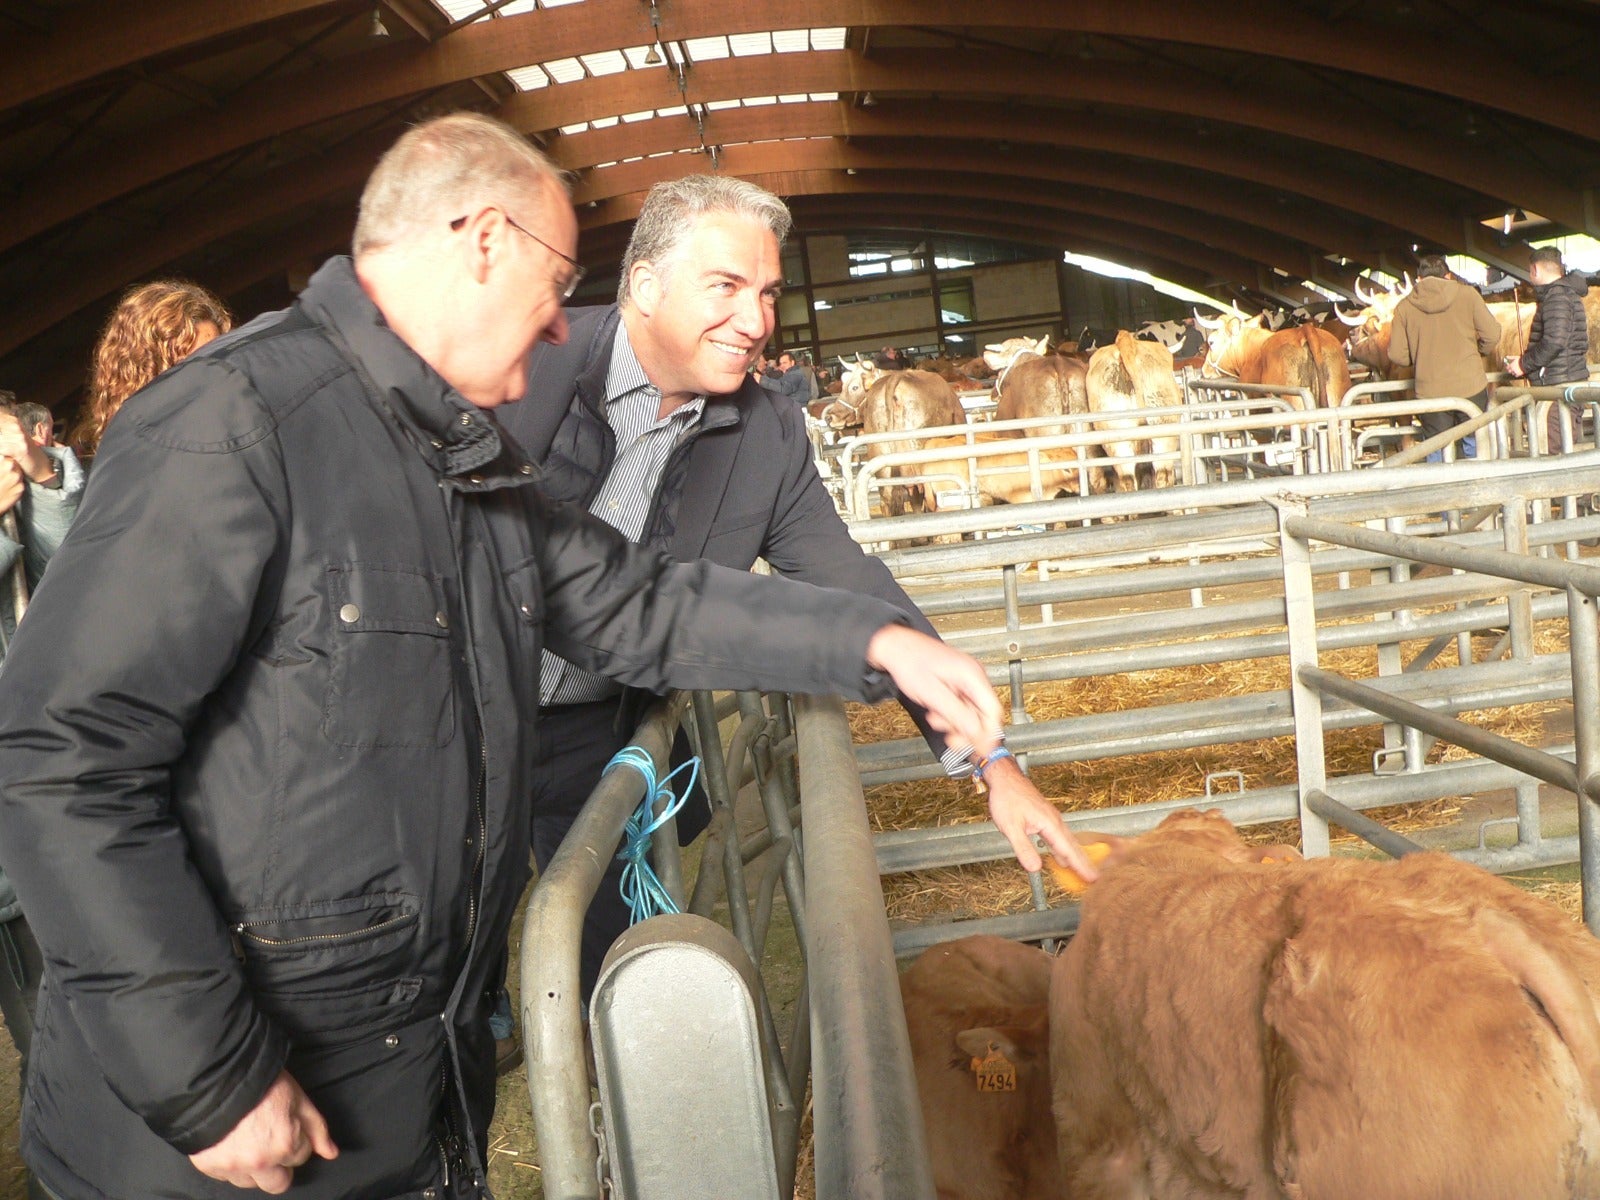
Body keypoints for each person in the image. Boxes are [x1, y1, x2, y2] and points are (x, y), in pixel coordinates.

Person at [0, 112, 1041, 1200]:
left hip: (404, 1079)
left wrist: (874, 641)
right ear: (483, 241)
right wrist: (205, 1077)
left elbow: (638, 602)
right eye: (555, 281)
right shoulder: (235, 423)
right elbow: (62, 757)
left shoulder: (464, 459)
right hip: (206, 1136)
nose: (560, 331)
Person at [499, 174, 1088, 1013]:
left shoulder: (767, 430)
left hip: (602, 735)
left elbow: (850, 580)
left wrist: (992, 763)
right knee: (448, 939)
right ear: (643, 283)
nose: (757, 321)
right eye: (727, 287)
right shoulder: (526, 361)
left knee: (603, 961)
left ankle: (601, 1112)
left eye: (769, 292)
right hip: (463, 709)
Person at [0, 394, 83, 1106]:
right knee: (51, 1042)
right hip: (9, 860)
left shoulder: (18, 508)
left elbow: (72, 578)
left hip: (60, 801)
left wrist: (47, 483)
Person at [72, 279, 231, 458]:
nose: (207, 375)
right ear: (144, 370)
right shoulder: (108, 462)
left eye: (214, 358)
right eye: (186, 365)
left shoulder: (233, 433)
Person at [1387, 254, 1501, 461]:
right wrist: (1478, 353)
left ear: (1419, 279)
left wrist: (1420, 358)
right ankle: (1476, 489)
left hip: (1430, 390)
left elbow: (1397, 355)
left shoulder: (1404, 307)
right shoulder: (1469, 295)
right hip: (1471, 384)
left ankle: (1442, 490)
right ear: (1448, 276)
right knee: (1474, 442)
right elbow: (1492, 335)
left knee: (1436, 446)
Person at [1505, 247, 1591, 451]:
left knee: (1553, 451)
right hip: (1563, 381)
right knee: (1562, 448)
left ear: (1535, 269)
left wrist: (1524, 364)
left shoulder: (1556, 297)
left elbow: (1555, 341)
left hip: (1557, 384)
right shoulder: (1563, 294)